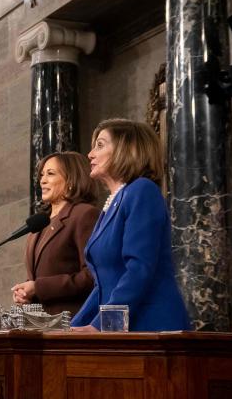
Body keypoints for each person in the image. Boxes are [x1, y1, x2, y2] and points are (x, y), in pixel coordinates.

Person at [70, 119, 190, 332]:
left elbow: (139, 269)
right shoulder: (113, 202)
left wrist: (101, 326)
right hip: (124, 327)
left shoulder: (142, 191)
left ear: (127, 149)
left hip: (151, 326)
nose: (90, 154)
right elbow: (103, 286)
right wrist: (71, 328)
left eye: (100, 145)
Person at [11, 152, 100, 314]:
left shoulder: (84, 215)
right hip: (40, 325)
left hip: (71, 323)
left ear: (71, 180)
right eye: (42, 175)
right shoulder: (40, 223)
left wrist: (38, 287)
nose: (42, 180)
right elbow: (40, 275)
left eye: (50, 174)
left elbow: (92, 276)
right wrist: (25, 292)